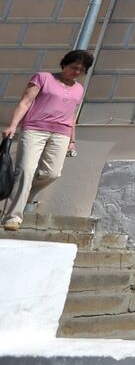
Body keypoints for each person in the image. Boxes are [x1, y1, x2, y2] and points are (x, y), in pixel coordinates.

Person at [2, 49, 93, 230]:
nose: (76, 72)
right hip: (34, 129)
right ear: (65, 64)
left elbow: (72, 116)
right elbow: (25, 102)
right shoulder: (43, 78)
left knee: (53, 173)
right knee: (26, 170)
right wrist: (13, 125)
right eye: (74, 67)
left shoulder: (79, 89)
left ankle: (22, 191)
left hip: (62, 134)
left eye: (81, 70)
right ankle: (12, 217)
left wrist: (72, 140)